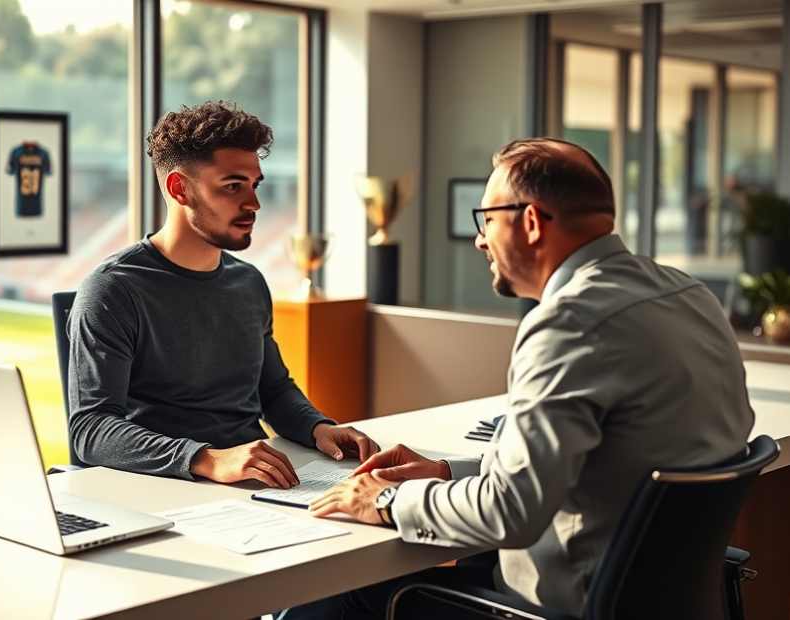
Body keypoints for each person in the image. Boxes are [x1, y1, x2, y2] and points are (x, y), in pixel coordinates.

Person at [309, 137, 755, 618]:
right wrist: (445, 472)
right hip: (660, 602)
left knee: (332, 592)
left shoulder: (569, 323)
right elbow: (601, 463)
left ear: (531, 222)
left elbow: (511, 511)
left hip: (558, 607)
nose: (480, 239)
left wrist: (389, 499)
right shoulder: (691, 296)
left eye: (487, 220)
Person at [67, 100, 378, 491]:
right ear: (180, 189)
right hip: (169, 487)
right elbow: (91, 428)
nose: (254, 204)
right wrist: (207, 459)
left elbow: (273, 390)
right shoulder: (114, 289)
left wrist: (316, 427)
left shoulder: (249, 283)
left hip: (256, 477)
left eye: (254, 184)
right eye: (233, 186)